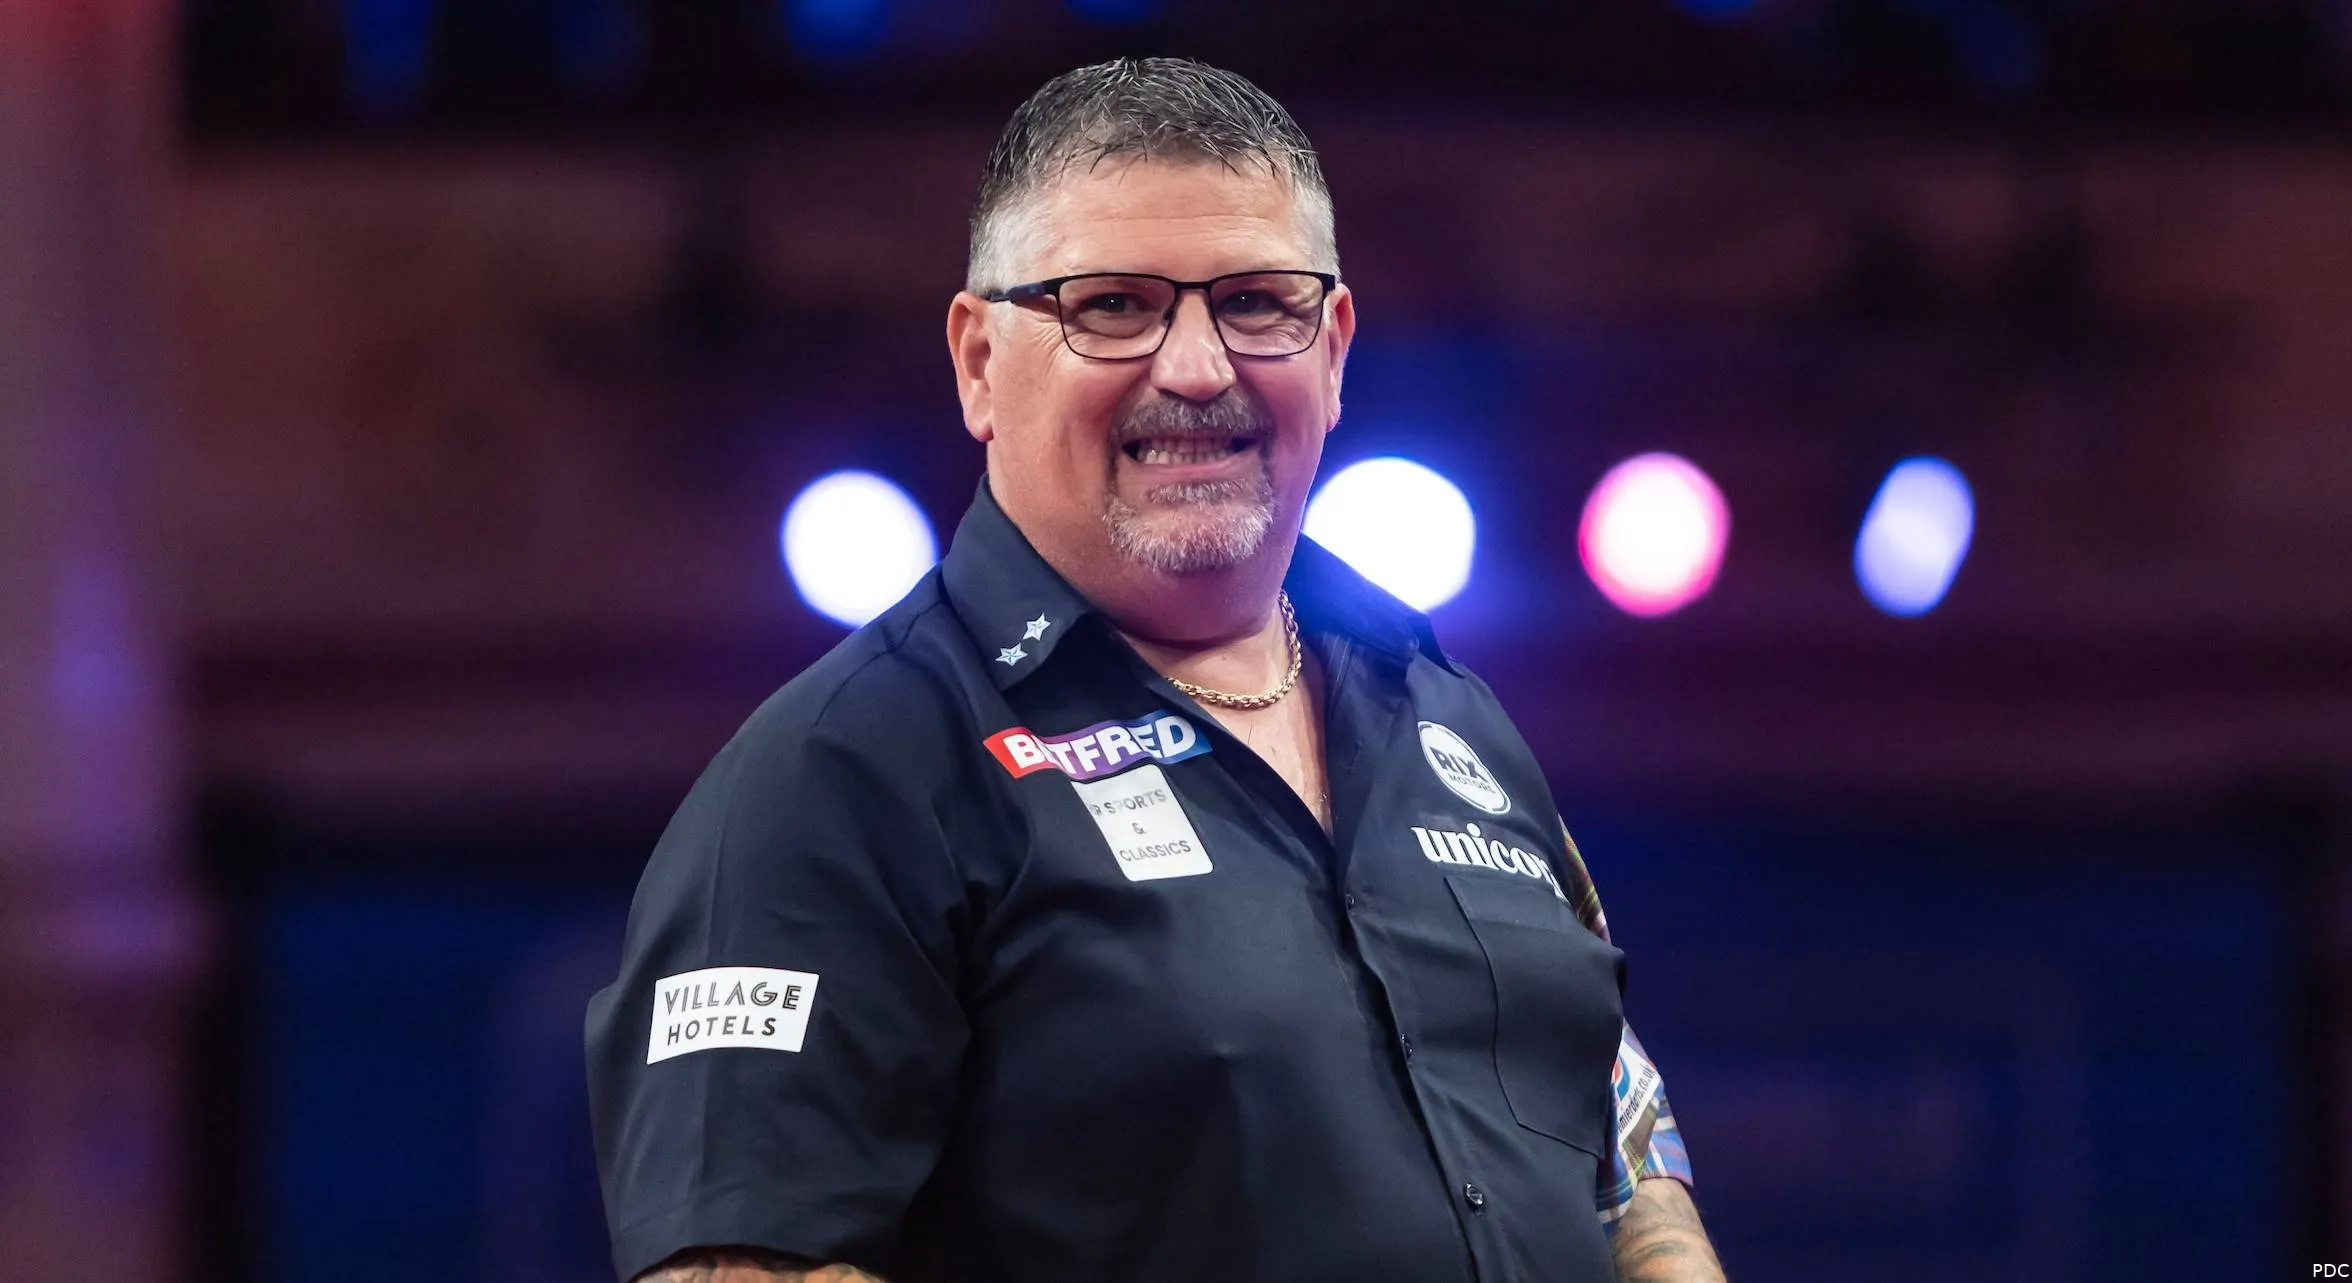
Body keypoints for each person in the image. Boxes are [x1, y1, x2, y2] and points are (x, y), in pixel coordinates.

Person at [586, 57, 1726, 1283]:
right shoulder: (843, 774)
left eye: (1257, 302)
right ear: (979, 360)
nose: (1196, 367)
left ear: (1333, 347)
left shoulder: (1451, 717)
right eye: (1113, 306)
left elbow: (1623, 1153)